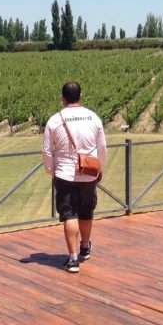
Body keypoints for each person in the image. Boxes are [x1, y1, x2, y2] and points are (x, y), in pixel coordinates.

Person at [42, 81, 108, 273]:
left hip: (64, 174)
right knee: (87, 212)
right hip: (88, 173)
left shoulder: (55, 120)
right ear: (81, 95)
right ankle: (85, 246)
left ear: (62, 98)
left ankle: (72, 260)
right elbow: (102, 147)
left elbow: (47, 151)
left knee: (69, 214)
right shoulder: (93, 117)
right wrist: (99, 167)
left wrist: (51, 169)